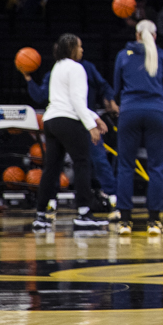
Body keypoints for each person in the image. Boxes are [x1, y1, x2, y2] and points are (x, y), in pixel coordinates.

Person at [33, 34, 110, 232]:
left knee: (51, 168)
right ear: (71, 49)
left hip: (51, 121)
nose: (82, 50)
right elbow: (77, 101)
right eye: (80, 47)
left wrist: (95, 117)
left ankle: (41, 215)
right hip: (68, 121)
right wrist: (91, 125)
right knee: (82, 164)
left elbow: (66, 100)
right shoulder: (77, 68)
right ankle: (84, 213)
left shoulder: (57, 67)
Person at [112, 19, 163, 237]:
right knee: (157, 167)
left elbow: (116, 89)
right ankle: (154, 221)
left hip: (129, 112)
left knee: (125, 166)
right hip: (156, 112)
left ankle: (125, 221)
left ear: (136, 35)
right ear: (155, 36)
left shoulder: (122, 55)